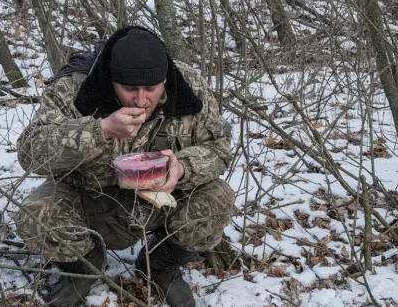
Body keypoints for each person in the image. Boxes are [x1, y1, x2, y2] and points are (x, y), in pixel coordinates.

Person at [15, 26, 235, 307]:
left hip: (160, 202)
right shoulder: (74, 87)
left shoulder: (188, 83)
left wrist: (183, 168)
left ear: (165, 79)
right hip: (89, 199)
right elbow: (30, 153)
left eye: (151, 89)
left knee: (219, 198)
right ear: (111, 79)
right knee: (35, 215)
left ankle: (160, 264)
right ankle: (85, 266)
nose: (141, 100)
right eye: (130, 89)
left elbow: (220, 147)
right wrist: (100, 131)